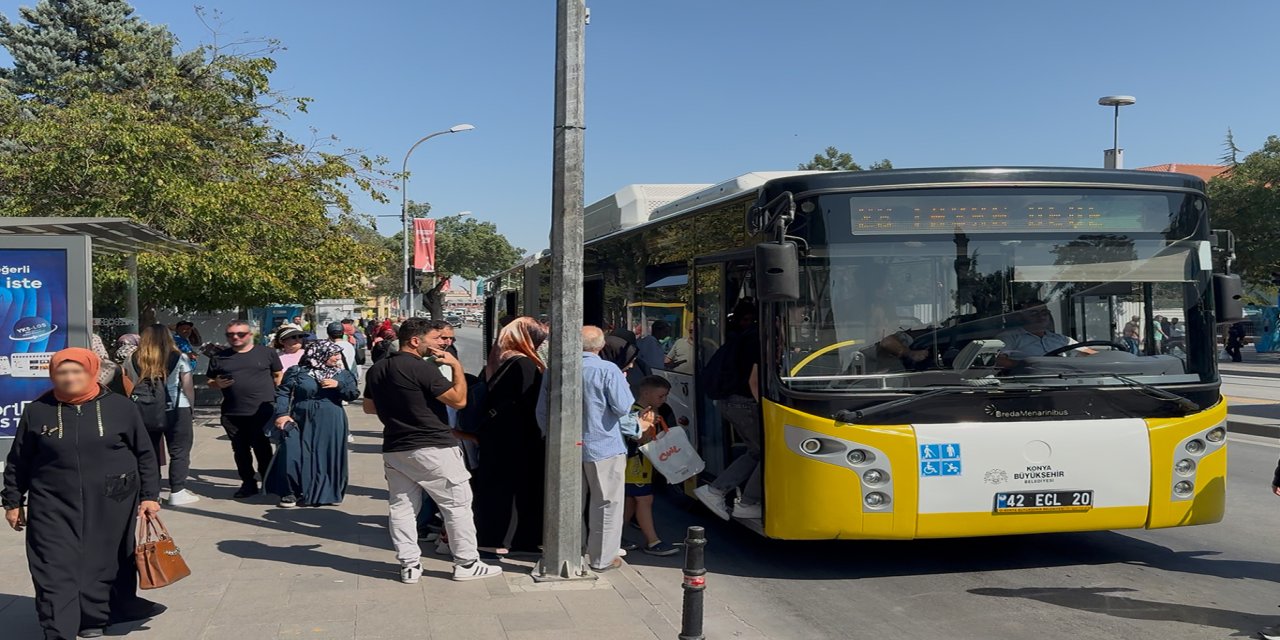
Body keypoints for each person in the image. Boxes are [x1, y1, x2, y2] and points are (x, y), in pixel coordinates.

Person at [3, 348, 166, 639]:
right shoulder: (37, 410)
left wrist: (150, 496)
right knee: (52, 566)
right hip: (51, 503)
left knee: (101, 563)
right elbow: (19, 460)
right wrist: (12, 501)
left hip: (112, 499)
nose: (69, 378)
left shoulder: (120, 407)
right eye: (62, 372)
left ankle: (93, 618)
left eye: (76, 371)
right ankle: (57, 629)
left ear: (91, 371)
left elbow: (145, 453)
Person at [362, 318, 502, 583]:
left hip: (395, 447)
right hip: (433, 445)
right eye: (436, 338)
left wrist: (402, 407)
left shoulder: (378, 369)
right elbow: (459, 401)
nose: (442, 344)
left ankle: (409, 565)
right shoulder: (421, 368)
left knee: (402, 508)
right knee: (457, 505)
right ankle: (467, 562)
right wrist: (456, 367)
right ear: (415, 341)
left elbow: (369, 408)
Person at [538, 326, 651, 572]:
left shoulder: (555, 369)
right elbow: (622, 408)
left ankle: (570, 552)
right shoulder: (607, 369)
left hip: (565, 446)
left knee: (570, 502)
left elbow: (542, 410)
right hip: (603, 446)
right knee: (606, 503)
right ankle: (602, 558)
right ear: (600, 346)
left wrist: (550, 437)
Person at [475, 317, 548, 556]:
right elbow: (531, 404)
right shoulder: (523, 364)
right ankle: (515, 540)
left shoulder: (497, 359)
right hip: (518, 439)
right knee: (520, 490)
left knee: (493, 487)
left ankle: (489, 537)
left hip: (495, 435)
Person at [267, 341, 359, 507]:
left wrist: (338, 385)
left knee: (326, 454)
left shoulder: (342, 374)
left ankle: (325, 493)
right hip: (300, 418)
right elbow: (283, 392)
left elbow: (352, 394)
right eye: (333, 354)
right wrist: (281, 414)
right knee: (293, 452)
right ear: (319, 354)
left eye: (338, 354)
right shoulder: (297, 372)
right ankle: (291, 491)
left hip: (331, 419)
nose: (337, 358)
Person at [695, 300, 764, 520]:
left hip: (733, 402)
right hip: (743, 403)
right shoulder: (756, 338)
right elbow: (754, 381)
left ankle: (717, 491)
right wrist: (766, 409)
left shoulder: (745, 336)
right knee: (768, 453)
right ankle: (744, 500)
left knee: (756, 451)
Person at [123, 324, 199, 507]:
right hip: (176, 408)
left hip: (144, 409)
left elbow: (130, 383)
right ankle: (177, 491)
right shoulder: (179, 356)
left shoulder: (132, 358)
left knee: (149, 452)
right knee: (179, 450)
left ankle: (150, 493)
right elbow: (187, 386)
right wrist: (192, 408)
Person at [207, 320, 284, 498]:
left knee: (263, 448)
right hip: (232, 413)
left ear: (249, 335)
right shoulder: (219, 357)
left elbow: (278, 374)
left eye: (240, 334)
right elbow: (210, 380)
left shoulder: (267, 353)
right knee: (240, 451)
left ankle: (269, 481)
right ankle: (248, 483)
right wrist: (216, 383)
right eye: (231, 334)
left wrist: (278, 398)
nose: (235, 337)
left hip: (262, 411)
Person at [623, 376, 679, 556]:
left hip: (639, 466)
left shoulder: (639, 410)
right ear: (646, 393)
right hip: (636, 466)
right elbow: (640, 439)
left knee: (630, 502)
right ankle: (653, 541)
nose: (664, 400)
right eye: (660, 396)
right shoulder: (640, 413)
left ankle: (614, 537)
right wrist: (648, 427)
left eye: (665, 396)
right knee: (645, 500)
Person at [996, 300, 1095, 363]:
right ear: (1021, 317)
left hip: (1067, 381)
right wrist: (1029, 367)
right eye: (1034, 313)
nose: (1041, 317)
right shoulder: (1009, 337)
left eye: (1044, 313)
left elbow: (1091, 354)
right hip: (1029, 386)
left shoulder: (1062, 339)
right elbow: (999, 361)